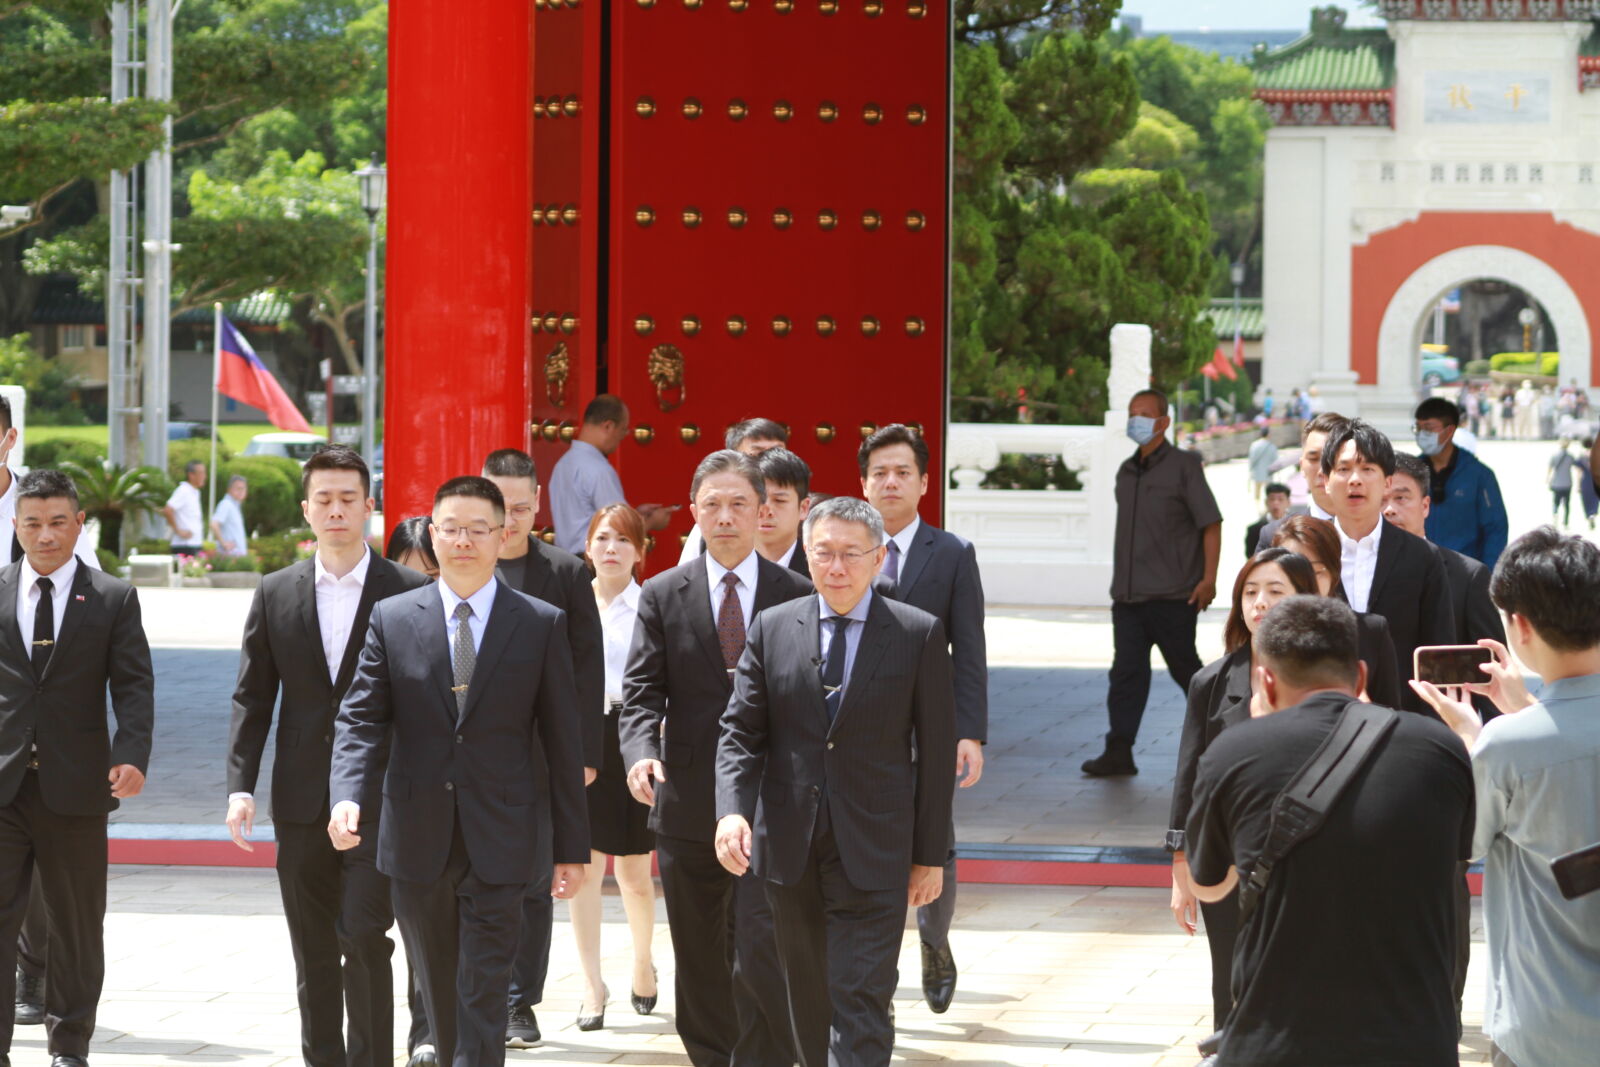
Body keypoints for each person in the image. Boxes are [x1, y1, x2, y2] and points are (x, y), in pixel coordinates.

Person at [328, 476, 590, 1067]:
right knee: (439, 990)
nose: (464, 542)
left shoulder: (539, 622)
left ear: (503, 537)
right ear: (432, 534)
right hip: (416, 836)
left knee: (485, 988)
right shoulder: (392, 619)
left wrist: (571, 847)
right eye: (451, 529)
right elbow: (361, 718)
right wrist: (348, 794)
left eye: (479, 530)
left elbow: (561, 739)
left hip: (503, 835)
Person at [714, 496, 956, 1067]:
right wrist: (732, 811)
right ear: (807, 555)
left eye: (852, 554)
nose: (837, 567)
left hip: (876, 847)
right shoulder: (773, 629)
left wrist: (931, 857)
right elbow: (741, 732)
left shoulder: (916, 633)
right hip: (790, 847)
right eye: (823, 553)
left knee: (861, 996)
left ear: (878, 561)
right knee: (809, 997)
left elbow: (938, 753)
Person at [1184, 596, 1472, 1066]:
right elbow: (1460, 852)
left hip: (1278, 1041)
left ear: (1265, 680)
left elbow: (1208, 884)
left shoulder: (1232, 752)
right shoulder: (1438, 748)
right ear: (1360, 677)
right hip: (1415, 1039)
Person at [226, 446, 432, 1067]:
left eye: (349, 499)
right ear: (306, 511)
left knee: (365, 936)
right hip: (300, 797)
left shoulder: (410, 590)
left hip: (382, 797)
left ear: (370, 507)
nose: (337, 510)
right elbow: (252, 697)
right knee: (312, 945)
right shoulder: (275, 591)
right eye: (324, 500)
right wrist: (241, 785)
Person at [618, 450, 810, 1067]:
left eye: (738, 504)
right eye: (711, 506)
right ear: (693, 513)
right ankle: (710, 1055)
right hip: (687, 798)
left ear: (764, 511)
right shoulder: (661, 594)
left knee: (762, 945)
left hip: (770, 802)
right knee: (699, 950)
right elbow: (642, 692)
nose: (724, 517)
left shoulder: (797, 595)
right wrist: (641, 752)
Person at [1410, 527, 1600, 1067]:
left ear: (1518, 624)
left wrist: (1475, 737)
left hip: (1543, 1018)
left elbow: (1462, 844)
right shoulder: (1516, 735)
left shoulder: (1507, 744)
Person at [0, 469, 154, 1067]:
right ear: (15, 525)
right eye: (32, 523)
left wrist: (132, 753)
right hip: (5, 787)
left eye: (57, 522)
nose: (45, 535)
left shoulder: (113, 598)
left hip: (78, 789)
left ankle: (69, 1048)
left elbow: (134, 686)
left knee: (77, 928)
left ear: (78, 524)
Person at [857, 423, 987, 1012]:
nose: (890, 482)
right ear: (863, 483)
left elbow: (970, 647)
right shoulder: (840, 546)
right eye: (879, 472)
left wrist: (969, 731)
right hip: (858, 724)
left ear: (924, 483)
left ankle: (934, 942)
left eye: (902, 472)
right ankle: (874, 971)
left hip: (929, 722)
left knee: (936, 838)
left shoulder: (952, 553)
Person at [480, 448, 603, 1050]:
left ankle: (517, 1001)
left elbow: (588, 669)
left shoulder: (565, 574)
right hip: (471, 756)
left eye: (521, 508)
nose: (509, 521)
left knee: (533, 881)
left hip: (539, 755)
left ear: (538, 506)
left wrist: (581, 753)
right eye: (497, 506)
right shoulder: (457, 565)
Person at [1167, 548, 1319, 1031]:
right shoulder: (1211, 681)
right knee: (1230, 978)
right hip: (1228, 861)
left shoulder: (1328, 678)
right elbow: (1189, 777)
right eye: (1251, 593)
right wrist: (1181, 864)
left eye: (1276, 592)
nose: (1260, 604)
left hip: (1311, 857)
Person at [1089, 388, 1221, 777]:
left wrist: (1209, 580)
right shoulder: (1126, 472)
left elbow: (1210, 524)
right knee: (1126, 674)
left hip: (1173, 594)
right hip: (1129, 597)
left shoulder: (1184, 467)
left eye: (1144, 414)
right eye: (1132, 414)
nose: (1136, 421)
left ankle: (1224, 739)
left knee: (1188, 672)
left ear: (1163, 422)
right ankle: (1119, 751)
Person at [568, 504, 657, 1031]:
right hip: (583, 739)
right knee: (582, 870)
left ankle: (643, 961)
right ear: (588, 548)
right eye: (602, 539)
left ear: (640, 552)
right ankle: (591, 985)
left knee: (633, 872)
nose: (611, 549)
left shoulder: (653, 607)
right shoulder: (571, 606)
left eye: (623, 540)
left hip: (635, 736)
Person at [1321, 419, 1455, 712]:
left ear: (1387, 482)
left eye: (1368, 469)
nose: (1355, 479)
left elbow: (1437, 653)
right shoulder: (1309, 553)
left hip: (1402, 720)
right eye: (1343, 470)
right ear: (1326, 481)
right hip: (1320, 720)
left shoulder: (1422, 557)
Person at [1267, 515, 1403, 708]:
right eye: (1292, 572)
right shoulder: (1260, 627)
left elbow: (1389, 709)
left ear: (1334, 573)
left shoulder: (1370, 631)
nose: (1304, 582)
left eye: (1315, 571)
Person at [547, 395, 671, 554]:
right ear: (608, 426)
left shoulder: (562, 464)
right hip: (591, 562)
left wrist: (636, 514)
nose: (623, 436)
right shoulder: (598, 469)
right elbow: (622, 528)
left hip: (565, 562)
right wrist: (653, 522)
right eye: (623, 429)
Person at [678, 417, 789, 565]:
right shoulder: (706, 528)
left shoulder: (806, 516)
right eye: (757, 455)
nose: (769, 463)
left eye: (777, 454)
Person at [1414, 397, 1507, 567]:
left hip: (1464, 572)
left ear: (1449, 431)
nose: (1421, 435)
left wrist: (1487, 575)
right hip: (1420, 571)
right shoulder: (1412, 472)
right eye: (1418, 428)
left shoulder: (1479, 475)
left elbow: (1495, 529)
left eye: (1428, 429)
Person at [1252, 411, 1346, 551]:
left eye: (1333, 458)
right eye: (1314, 459)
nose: (1322, 470)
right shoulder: (1275, 537)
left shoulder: (1382, 532)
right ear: (1302, 466)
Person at [753, 446, 812, 575]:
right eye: (760, 499)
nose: (766, 510)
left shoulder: (818, 569)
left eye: (779, 501)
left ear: (803, 508)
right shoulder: (727, 565)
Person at [161, 459, 207, 556]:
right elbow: (168, 510)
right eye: (201, 473)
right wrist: (178, 531)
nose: (204, 476)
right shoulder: (183, 490)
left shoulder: (195, 492)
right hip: (184, 545)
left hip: (194, 543)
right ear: (191, 475)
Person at [1244, 483, 1290, 558]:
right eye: (1272, 499)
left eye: (1280, 499)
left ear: (1288, 502)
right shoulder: (1254, 530)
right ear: (1266, 502)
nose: (1276, 503)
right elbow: (1251, 557)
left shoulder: (1296, 526)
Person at [209, 475, 249, 556]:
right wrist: (223, 543)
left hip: (237, 556)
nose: (241, 491)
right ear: (229, 489)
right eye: (238, 488)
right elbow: (214, 524)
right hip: (231, 555)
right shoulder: (226, 504)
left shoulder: (235, 505)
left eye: (243, 488)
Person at [1548, 438, 1576, 528]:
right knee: (1567, 504)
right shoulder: (1570, 456)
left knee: (1556, 502)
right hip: (1567, 482)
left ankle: (1555, 515)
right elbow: (1576, 467)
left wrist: (1548, 479)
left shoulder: (1554, 456)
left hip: (1557, 482)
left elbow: (1550, 469)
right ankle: (1566, 521)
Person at [1246, 428, 1278, 503]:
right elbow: (1275, 461)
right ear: (1268, 434)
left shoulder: (1254, 445)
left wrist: (1250, 470)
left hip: (1257, 472)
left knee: (1257, 491)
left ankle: (1258, 506)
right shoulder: (1271, 446)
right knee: (1268, 492)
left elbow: (1251, 459)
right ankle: (1266, 507)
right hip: (1268, 473)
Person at [1579, 437, 1600, 531]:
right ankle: (1593, 513)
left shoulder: (1581, 456)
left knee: (1586, 500)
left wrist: (1577, 485)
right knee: (1595, 499)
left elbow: (1579, 472)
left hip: (1585, 481)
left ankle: (1589, 515)